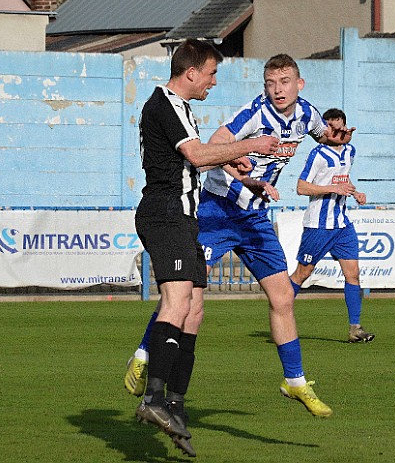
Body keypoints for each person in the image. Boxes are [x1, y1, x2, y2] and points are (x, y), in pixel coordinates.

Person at [126, 54, 355, 420]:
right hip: (217, 209)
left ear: (300, 84)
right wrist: (242, 166)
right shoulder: (255, 114)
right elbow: (215, 144)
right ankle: (143, 354)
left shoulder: (308, 114)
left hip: (255, 217)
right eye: (270, 83)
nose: (277, 90)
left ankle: (294, 380)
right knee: (185, 297)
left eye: (284, 82)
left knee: (283, 296)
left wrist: (334, 137)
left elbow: (321, 134)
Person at [133, 39, 279, 457]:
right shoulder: (164, 104)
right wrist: (248, 145)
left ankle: (175, 404)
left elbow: (194, 159)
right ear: (191, 72)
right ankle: (153, 398)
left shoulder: (179, 108)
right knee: (176, 302)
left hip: (184, 217)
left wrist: (234, 168)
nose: (214, 82)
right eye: (212, 73)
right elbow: (195, 156)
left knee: (194, 310)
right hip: (165, 214)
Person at [289, 108, 375, 344]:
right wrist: (332, 189)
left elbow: (343, 178)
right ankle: (280, 314)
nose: (334, 132)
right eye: (329, 127)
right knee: (302, 274)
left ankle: (355, 328)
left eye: (338, 128)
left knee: (353, 274)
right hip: (318, 225)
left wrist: (355, 192)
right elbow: (301, 187)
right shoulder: (318, 154)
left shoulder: (350, 151)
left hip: (342, 224)